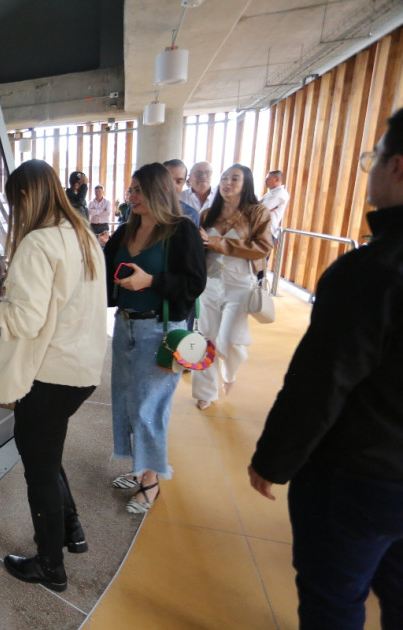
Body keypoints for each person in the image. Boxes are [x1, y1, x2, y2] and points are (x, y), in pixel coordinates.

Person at [249, 107, 403, 630]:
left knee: (334, 598)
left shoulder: (371, 273)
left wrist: (273, 460)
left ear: (398, 167)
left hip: (363, 475)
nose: (372, 169)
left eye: (375, 157)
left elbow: (320, 384)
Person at [0, 159, 107, 592]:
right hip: (82, 371)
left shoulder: (38, 244)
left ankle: (50, 566)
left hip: (49, 376)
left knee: (38, 471)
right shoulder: (82, 235)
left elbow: (23, 320)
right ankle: (72, 529)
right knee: (48, 453)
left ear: (23, 197)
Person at [104, 163, 206, 513]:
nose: (130, 197)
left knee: (149, 408)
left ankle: (151, 481)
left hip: (160, 330)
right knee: (126, 401)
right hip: (125, 326)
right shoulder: (124, 231)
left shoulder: (181, 232)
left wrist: (151, 281)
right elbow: (104, 275)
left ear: (157, 192)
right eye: (130, 190)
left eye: (137, 191)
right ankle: (140, 470)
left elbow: (194, 284)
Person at [191, 164, 272, 410]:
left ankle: (230, 371)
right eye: (225, 178)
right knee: (207, 339)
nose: (227, 182)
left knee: (227, 342)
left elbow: (263, 247)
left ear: (246, 183)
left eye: (234, 179)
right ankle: (205, 391)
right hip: (211, 283)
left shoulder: (258, 213)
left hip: (240, 285)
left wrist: (217, 242)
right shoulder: (208, 214)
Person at [163, 158, 201, 226]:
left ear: (184, 182)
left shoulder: (190, 214)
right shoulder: (145, 209)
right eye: (167, 180)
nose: (172, 185)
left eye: (179, 181)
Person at [261, 169, 290, 246]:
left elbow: (262, 208)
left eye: (268, 179)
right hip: (262, 229)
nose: (265, 180)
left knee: (261, 257)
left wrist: (259, 208)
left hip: (268, 231)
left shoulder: (281, 193)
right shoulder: (270, 193)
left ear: (276, 179)